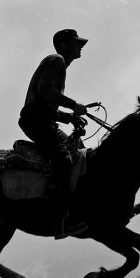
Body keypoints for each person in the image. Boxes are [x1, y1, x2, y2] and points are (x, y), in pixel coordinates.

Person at [19, 28, 90, 239]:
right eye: (77, 43)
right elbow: (45, 90)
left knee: (78, 152)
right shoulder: (56, 60)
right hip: (36, 122)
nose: (81, 47)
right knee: (63, 159)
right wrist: (73, 105)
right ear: (65, 45)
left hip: (42, 120)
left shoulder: (57, 63)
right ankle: (59, 221)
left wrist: (69, 117)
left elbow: (46, 103)